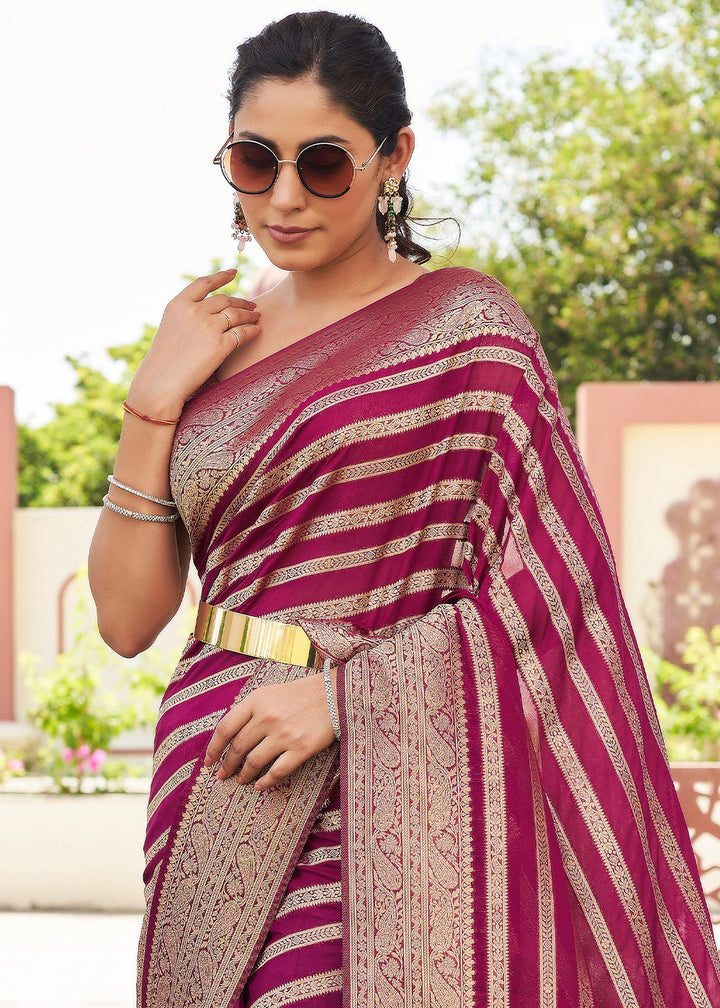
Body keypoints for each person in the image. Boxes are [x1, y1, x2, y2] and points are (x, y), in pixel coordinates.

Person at [88, 11, 720, 1008]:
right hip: (221, 764)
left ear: (394, 158)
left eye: (323, 165)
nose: (283, 198)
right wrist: (151, 403)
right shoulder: (205, 347)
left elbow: (553, 594)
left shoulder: (471, 332)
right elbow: (128, 623)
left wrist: (342, 699)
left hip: (395, 775)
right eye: (255, 162)